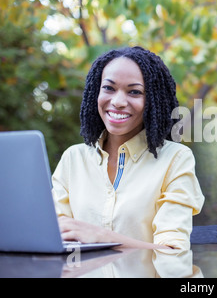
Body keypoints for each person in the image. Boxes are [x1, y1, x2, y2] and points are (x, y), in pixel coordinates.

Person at [51, 46, 205, 250]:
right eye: (109, 88)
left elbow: (173, 252)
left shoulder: (175, 159)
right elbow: (57, 236)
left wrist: (101, 237)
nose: (118, 102)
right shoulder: (73, 158)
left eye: (134, 92)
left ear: (153, 100)